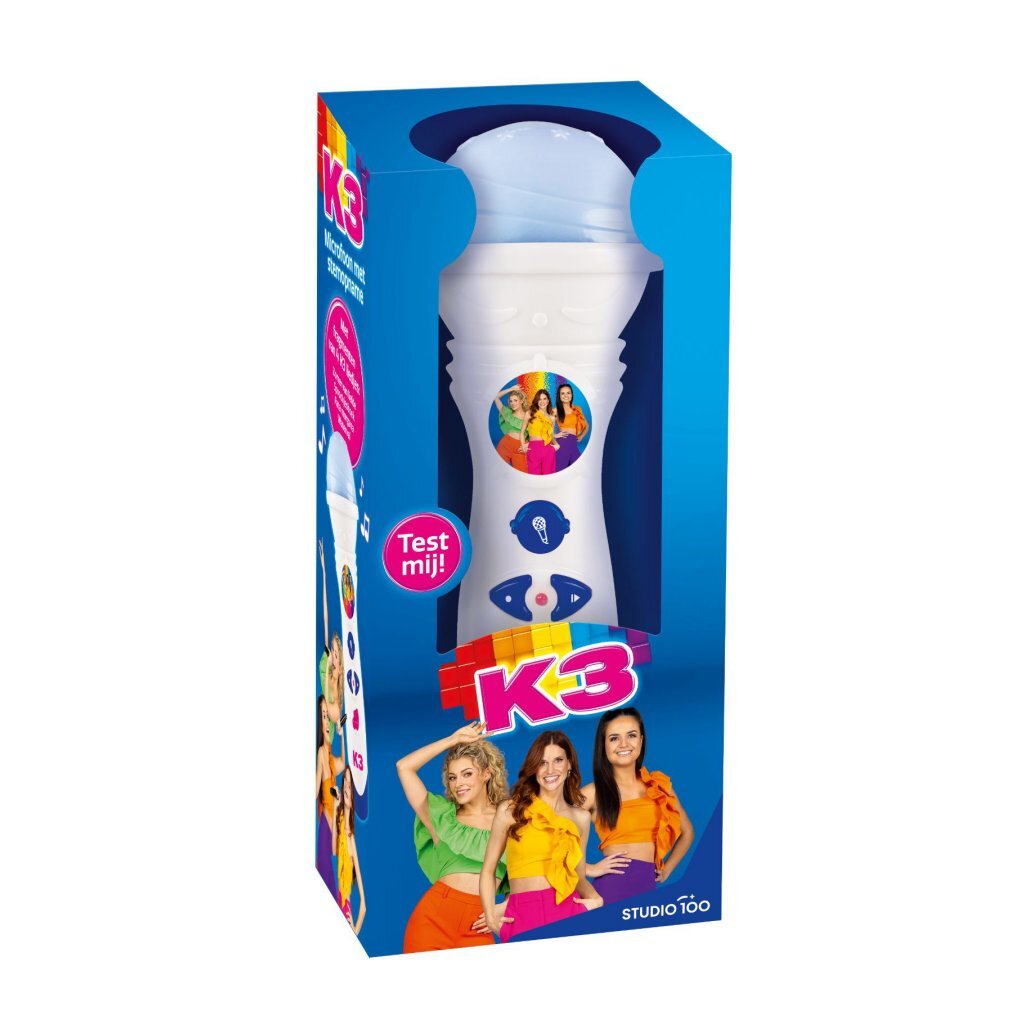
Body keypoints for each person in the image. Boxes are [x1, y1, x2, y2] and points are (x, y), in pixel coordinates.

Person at [397, 722, 510, 952]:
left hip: (479, 925)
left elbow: (525, 873)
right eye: (452, 777)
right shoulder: (441, 816)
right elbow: (404, 767)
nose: (458, 784)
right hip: (432, 920)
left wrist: (505, 906)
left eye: (467, 774)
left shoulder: (510, 818)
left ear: (486, 774)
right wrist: (452, 740)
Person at [480, 730, 602, 941]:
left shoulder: (581, 818)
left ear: (569, 764)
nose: (550, 770)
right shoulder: (511, 810)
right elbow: (488, 870)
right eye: (542, 762)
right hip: (522, 915)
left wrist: (596, 900)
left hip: (567, 912)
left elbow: (578, 876)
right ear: (534, 767)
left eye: (558, 760)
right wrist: (490, 916)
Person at [582, 708, 694, 904]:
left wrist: (667, 868)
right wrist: (588, 869)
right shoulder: (593, 793)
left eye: (631, 735)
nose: (624, 744)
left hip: (647, 890)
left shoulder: (659, 786)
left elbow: (687, 832)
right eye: (614, 738)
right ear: (603, 745)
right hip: (611, 890)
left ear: (641, 740)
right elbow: (549, 834)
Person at [318, 539, 346, 755]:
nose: (334, 656)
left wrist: (339, 725)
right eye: (333, 652)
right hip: (328, 718)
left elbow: (337, 702)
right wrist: (324, 571)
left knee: (334, 757)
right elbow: (326, 617)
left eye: (336, 653)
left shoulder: (340, 677)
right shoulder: (328, 662)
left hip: (335, 723)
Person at [314, 696, 340, 900]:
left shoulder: (331, 756)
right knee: (324, 871)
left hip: (334, 819)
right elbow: (315, 790)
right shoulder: (322, 753)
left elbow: (345, 762)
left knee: (330, 872)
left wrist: (341, 732)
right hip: (326, 821)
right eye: (323, 716)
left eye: (328, 716)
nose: (327, 721)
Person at [336, 766, 366, 934]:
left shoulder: (351, 839)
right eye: (345, 782)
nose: (347, 787)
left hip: (345, 908)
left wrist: (354, 932)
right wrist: (336, 804)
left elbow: (363, 906)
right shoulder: (339, 826)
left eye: (350, 784)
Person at [518, 389, 559, 475]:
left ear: (548, 401)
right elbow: (522, 432)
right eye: (539, 399)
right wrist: (523, 446)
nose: (542, 401)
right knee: (534, 477)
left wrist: (557, 445)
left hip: (548, 450)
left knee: (548, 477)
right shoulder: (530, 413)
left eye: (544, 399)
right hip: (533, 449)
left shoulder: (552, 418)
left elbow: (550, 435)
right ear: (536, 401)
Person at [553, 383, 589, 471]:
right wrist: (555, 435)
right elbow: (545, 428)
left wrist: (581, 436)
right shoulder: (555, 410)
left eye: (568, 393)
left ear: (572, 394)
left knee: (579, 470)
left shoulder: (577, 410)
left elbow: (587, 426)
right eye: (562, 393)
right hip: (562, 444)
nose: (566, 395)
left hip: (573, 444)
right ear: (559, 396)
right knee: (560, 471)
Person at [493, 386, 529, 472]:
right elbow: (496, 397)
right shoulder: (507, 413)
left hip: (521, 447)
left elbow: (538, 434)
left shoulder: (529, 415)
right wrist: (511, 389)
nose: (512, 403)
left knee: (522, 473)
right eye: (510, 401)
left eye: (515, 400)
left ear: (521, 401)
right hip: (505, 445)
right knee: (497, 471)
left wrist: (528, 445)